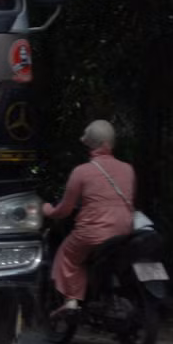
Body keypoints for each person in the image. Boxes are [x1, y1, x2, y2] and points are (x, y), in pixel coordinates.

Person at [42, 120, 136, 316]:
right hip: (125, 230)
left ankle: (71, 301)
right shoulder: (128, 169)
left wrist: (48, 210)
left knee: (67, 255)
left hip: (92, 233)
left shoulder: (82, 172)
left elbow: (65, 210)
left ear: (90, 143)